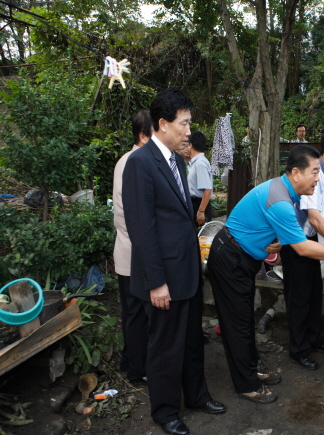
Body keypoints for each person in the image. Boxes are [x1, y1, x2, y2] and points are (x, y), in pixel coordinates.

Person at [207, 145, 324, 405]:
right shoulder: (282, 202)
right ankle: (247, 385)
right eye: (313, 172)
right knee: (237, 325)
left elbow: (268, 224)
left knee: (243, 320)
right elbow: (303, 247)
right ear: (295, 173)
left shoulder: (285, 189)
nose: (317, 179)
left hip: (241, 256)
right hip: (230, 258)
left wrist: (274, 238)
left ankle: (253, 368)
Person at [123, 88, 225, 435]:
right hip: (163, 276)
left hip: (186, 270)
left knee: (191, 340)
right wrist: (156, 282)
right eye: (184, 123)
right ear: (162, 124)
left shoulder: (177, 161)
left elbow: (180, 217)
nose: (188, 131)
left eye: (190, 123)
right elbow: (141, 227)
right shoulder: (140, 163)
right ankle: (165, 411)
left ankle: (197, 395)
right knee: (165, 346)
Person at [281, 128, 324, 371]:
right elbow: (316, 218)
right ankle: (298, 350)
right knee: (298, 299)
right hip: (297, 244)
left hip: (312, 242)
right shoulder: (314, 175)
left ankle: (313, 338)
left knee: (313, 294)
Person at [113, 109, 151, 384]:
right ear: (142, 135)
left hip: (129, 250)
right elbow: (130, 215)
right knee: (136, 313)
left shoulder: (127, 160)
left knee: (131, 312)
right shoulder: (134, 162)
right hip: (133, 252)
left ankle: (129, 360)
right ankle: (138, 370)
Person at [187, 131, 213, 227]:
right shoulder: (195, 162)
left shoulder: (200, 163)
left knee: (201, 238)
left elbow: (207, 189)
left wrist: (201, 211)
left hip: (199, 205)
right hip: (195, 204)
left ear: (190, 145)